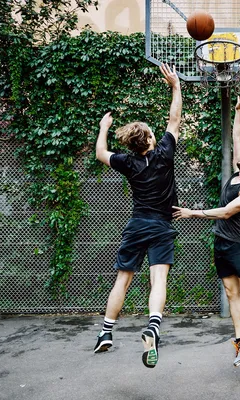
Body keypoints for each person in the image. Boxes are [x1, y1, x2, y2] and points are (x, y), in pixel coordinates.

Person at [173, 90, 240, 370]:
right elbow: (237, 139)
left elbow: (228, 212)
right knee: (230, 292)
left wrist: (193, 212)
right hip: (221, 242)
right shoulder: (237, 173)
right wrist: (239, 110)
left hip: (239, 245)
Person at [94, 64, 182, 369]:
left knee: (123, 279)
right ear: (150, 140)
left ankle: (106, 333)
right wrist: (175, 86)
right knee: (158, 278)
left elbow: (100, 154)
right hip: (161, 225)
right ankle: (153, 327)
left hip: (136, 225)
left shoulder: (127, 163)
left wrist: (104, 128)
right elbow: (174, 118)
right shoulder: (165, 153)